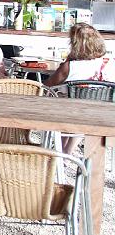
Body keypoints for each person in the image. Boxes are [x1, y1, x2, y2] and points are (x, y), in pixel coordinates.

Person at [45, 23, 115, 153]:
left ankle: (62, 152)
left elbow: (48, 86)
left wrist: (67, 60)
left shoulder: (70, 67)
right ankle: (69, 150)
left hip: (70, 115)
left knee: (62, 101)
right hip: (103, 114)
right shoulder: (111, 63)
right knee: (83, 108)